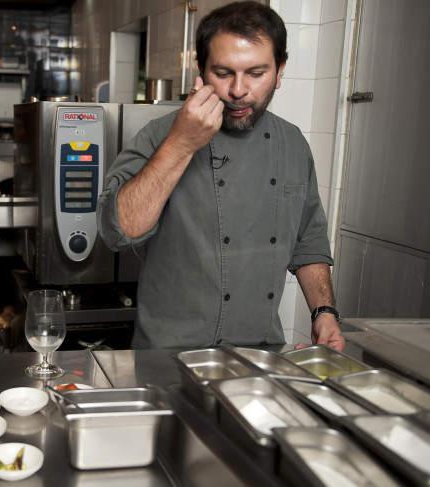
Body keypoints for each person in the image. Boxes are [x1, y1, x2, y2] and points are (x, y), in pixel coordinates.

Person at [96, 1, 344, 351]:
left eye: (256, 74)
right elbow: (117, 230)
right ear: (201, 70)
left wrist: (323, 310)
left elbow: (310, 239)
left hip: (259, 356)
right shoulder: (160, 135)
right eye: (224, 73)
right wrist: (181, 144)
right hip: (169, 357)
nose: (239, 90)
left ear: (280, 69)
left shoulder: (293, 144)